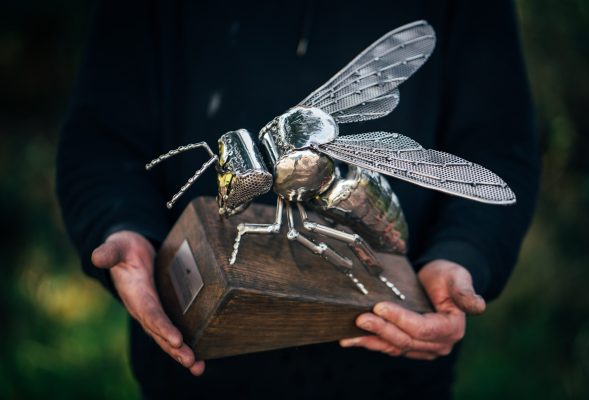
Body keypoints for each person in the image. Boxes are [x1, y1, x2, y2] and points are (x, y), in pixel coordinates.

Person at [57, 0, 539, 398]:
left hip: (392, 379)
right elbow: (101, 136)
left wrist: (463, 253)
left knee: (321, 228)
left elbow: (500, 145)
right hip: (192, 378)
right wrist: (119, 221)